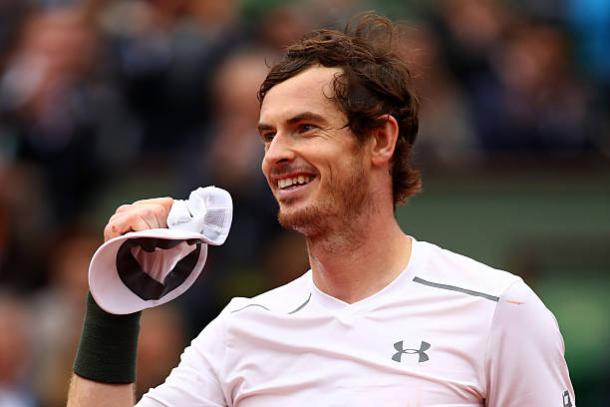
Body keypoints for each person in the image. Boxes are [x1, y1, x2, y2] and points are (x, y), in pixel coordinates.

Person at [67, 13, 575, 406]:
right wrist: (114, 308)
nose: (275, 154)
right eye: (268, 135)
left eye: (305, 127)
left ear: (379, 139)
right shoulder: (242, 329)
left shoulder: (498, 309)